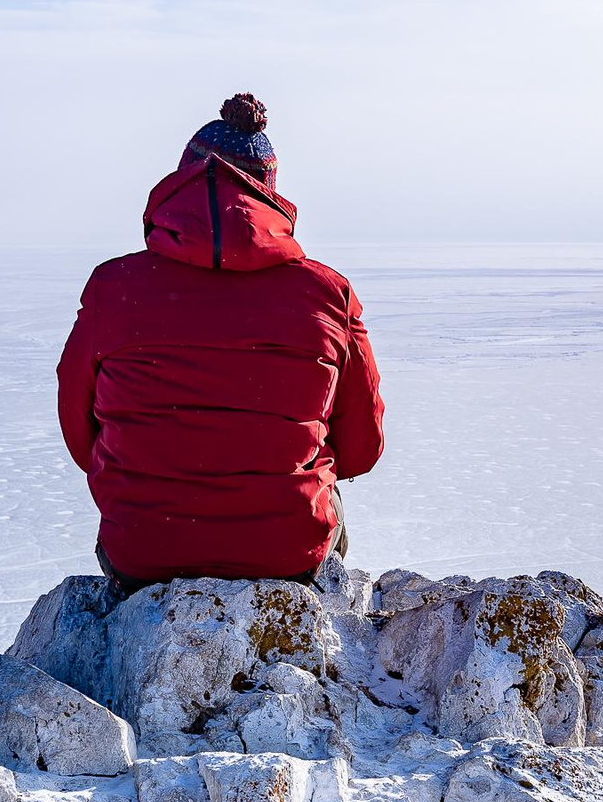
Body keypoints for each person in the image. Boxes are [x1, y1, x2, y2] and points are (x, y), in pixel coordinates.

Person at [56, 93, 384, 593]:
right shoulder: (327, 293)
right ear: (268, 188)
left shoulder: (112, 288)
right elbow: (362, 448)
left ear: (182, 178)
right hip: (288, 552)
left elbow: (79, 430)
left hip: (143, 549)